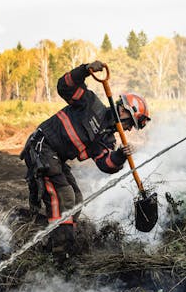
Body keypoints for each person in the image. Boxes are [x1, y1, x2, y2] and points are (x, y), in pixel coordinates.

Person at [20, 60, 150, 255]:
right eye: (130, 123)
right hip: (42, 148)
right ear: (122, 111)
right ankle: (60, 254)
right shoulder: (89, 103)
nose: (130, 129)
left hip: (56, 157)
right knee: (65, 197)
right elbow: (64, 86)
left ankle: (57, 240)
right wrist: (85, 70)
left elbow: (106, 164)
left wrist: (120, 156)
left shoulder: (106, 138)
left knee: (77, 199)